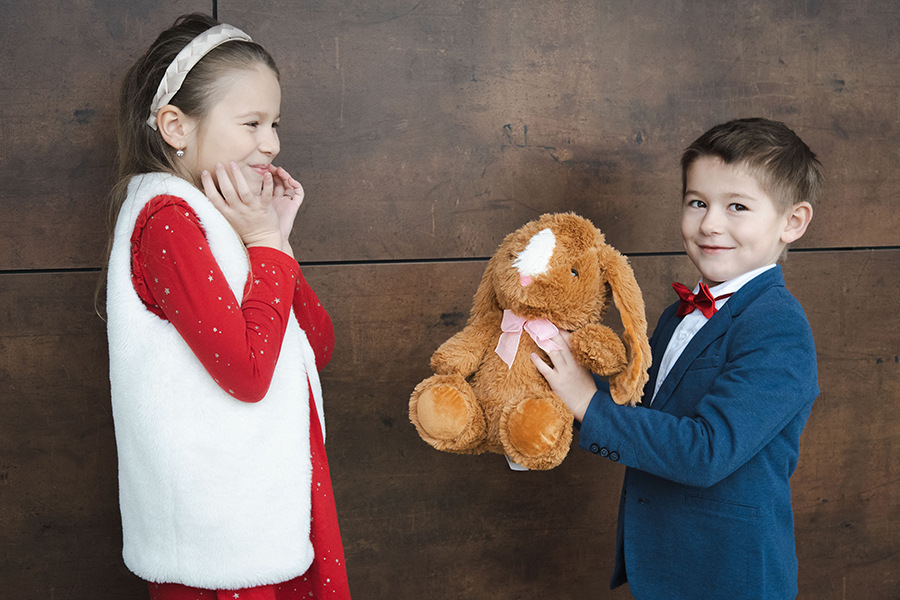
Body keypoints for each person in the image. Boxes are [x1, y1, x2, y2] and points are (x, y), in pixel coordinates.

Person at [105, 13, 351, 599]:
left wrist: (276, 242)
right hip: (222, 532)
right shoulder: (168, 221)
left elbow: (317, 346)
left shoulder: (224, 220)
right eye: (252, 123)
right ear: (176, 126)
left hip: (271, 501)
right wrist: (263, 244)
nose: (273, 143)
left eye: (275, 123)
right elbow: (247, 373)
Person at [532, 118, 822, 599]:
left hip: (729, 576)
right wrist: (559, 374)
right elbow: (643, 412)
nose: (710, 224)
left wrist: (587, 403)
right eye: (697, 202)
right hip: (667, 564)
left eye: (737, 206)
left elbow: (706, 452)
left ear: (792, 222)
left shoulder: (778, 327)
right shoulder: (679, 313)